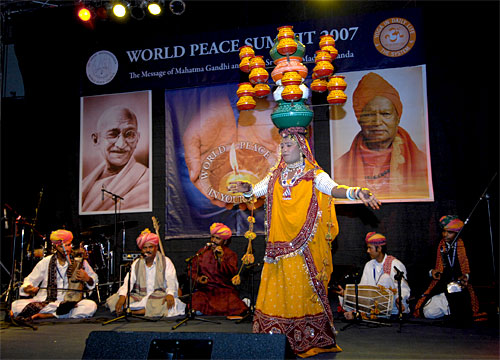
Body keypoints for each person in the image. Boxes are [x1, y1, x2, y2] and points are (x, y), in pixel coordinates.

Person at [229, 126, 381, 358]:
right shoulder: (275, 176)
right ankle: (274, 338)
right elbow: (256, 191)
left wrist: (355, 192)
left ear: (302, 149)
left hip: (304, 248)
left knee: (301, 292)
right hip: (277, 248)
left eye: (288, 145)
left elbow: (332, 189)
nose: (283, 149)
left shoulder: (313, 174)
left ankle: (307, 337)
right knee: (277, 291)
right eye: (281, 145)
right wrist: (247, 189)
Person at [334, 72, 429, 199]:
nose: (377, 122)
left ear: (397, 118)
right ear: (359, 119)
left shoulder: (421, 163)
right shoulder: (340, 167)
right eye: (369, 115)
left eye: (385, 114)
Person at [11, 229, 98, 320]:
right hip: (46, 302)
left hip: (70, 303)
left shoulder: (79, 262)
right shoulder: (45, 262)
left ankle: (49, 315)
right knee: (15, 305)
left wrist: (87, 278)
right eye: (62, 246)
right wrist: (29, 288)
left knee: (90, 306)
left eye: (68, 245)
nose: (66, 249)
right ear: (55, 247)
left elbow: (94, 280)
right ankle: (60, 314)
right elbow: (29, 281)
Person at [413, 215, 486, 322]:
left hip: (462, 289)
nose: (445, 235)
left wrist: (466, 276)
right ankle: (450, 309)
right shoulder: (437, 246)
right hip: (442, 288)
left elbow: (480, 268)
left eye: (450, 232)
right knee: (427, 312)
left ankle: (454, 311)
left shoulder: (468, 246)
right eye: (444, 231)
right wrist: (431, 272)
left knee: (464, 313)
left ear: (457, 233)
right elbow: (420, 265)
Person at [81, 105, 150, 212]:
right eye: (113, 135)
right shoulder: (84, 184)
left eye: (129, 134)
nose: (121, 144)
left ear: (137, 139)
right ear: (96, 140)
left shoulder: (146, 180)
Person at [105, 229, 185, 317]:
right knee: (113, 301)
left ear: (156, 247)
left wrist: (170, 294)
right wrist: (122, 296)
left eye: (150, 247)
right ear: (141, 249)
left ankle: (134, 312)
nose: (147, 250)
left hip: (158, 297)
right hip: (140, 297)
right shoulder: (136, 263)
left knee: (168, 304)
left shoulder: (165, 261)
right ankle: (141, 310)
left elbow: (171, 280)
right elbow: (128, 283)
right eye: (145, 248)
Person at [336, 232, 410, 319]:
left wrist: (399, 299)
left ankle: (360, 313)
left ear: (379, 248)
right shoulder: (369, 265)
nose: (367, 251)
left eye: (370, 248)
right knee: (343, 300)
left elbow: (404, 288)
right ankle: (363, 313)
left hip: (393, 306)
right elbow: (363, 288)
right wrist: (347, 293)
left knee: (385, 278)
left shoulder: (395, 264)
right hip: (372, 303)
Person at [189, 222, 248, 316]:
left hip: (224, 290)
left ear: (225, 241)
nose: (214, 240)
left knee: (235, 304)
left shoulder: (230, 254)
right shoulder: (202, 252)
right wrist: (199, 279)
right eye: (213, 237)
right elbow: (192, 270)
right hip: (206, 290)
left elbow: (231, 273)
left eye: (218, 238)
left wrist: (221, 259)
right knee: (197, 300)